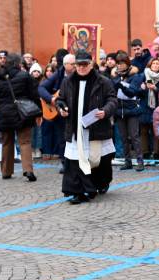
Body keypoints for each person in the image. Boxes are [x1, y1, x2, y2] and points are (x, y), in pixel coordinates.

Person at [56, 50, 118, 204]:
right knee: (74, 161)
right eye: (79, 64)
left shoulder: (103, 81)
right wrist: (61, 109)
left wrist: (105, 111)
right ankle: (78, 192)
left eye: (85, 64)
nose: (82, 67)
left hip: (96, 127)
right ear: (74, 65)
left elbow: (112, 99)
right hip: (75, 127)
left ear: (91, 64)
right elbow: (60, 100)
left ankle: (100, 183)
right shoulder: (67, 81)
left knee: (98, 160)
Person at [0, 53, 41, 181]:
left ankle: (6, 172)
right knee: (25, 142)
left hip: (4, 114)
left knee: (7, 143)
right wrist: (39, 112)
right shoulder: (25, 76)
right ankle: (28, 170)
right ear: (18, 64)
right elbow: (34, 95)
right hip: (22, 113)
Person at [39, 50, 74, 169]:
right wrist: (51, 99)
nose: (75, 66)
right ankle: (65, 163)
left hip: (74, 110)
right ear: (65, 65)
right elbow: (42, 87)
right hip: (59, 110)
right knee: (62, 137)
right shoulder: (59, 73)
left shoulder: (79, 73)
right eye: (72, 64)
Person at [112, 53, 145, 171]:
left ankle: (140, 161)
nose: (119, 66)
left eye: (121, 64)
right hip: (119, 110)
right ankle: (128, 161)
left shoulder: (135, 76)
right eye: (118, 64)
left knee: (134, 136)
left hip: (132, 110)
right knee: (123, 137)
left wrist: (121, 85)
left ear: (127, 64)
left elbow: (132, 92)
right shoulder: (116, 76)